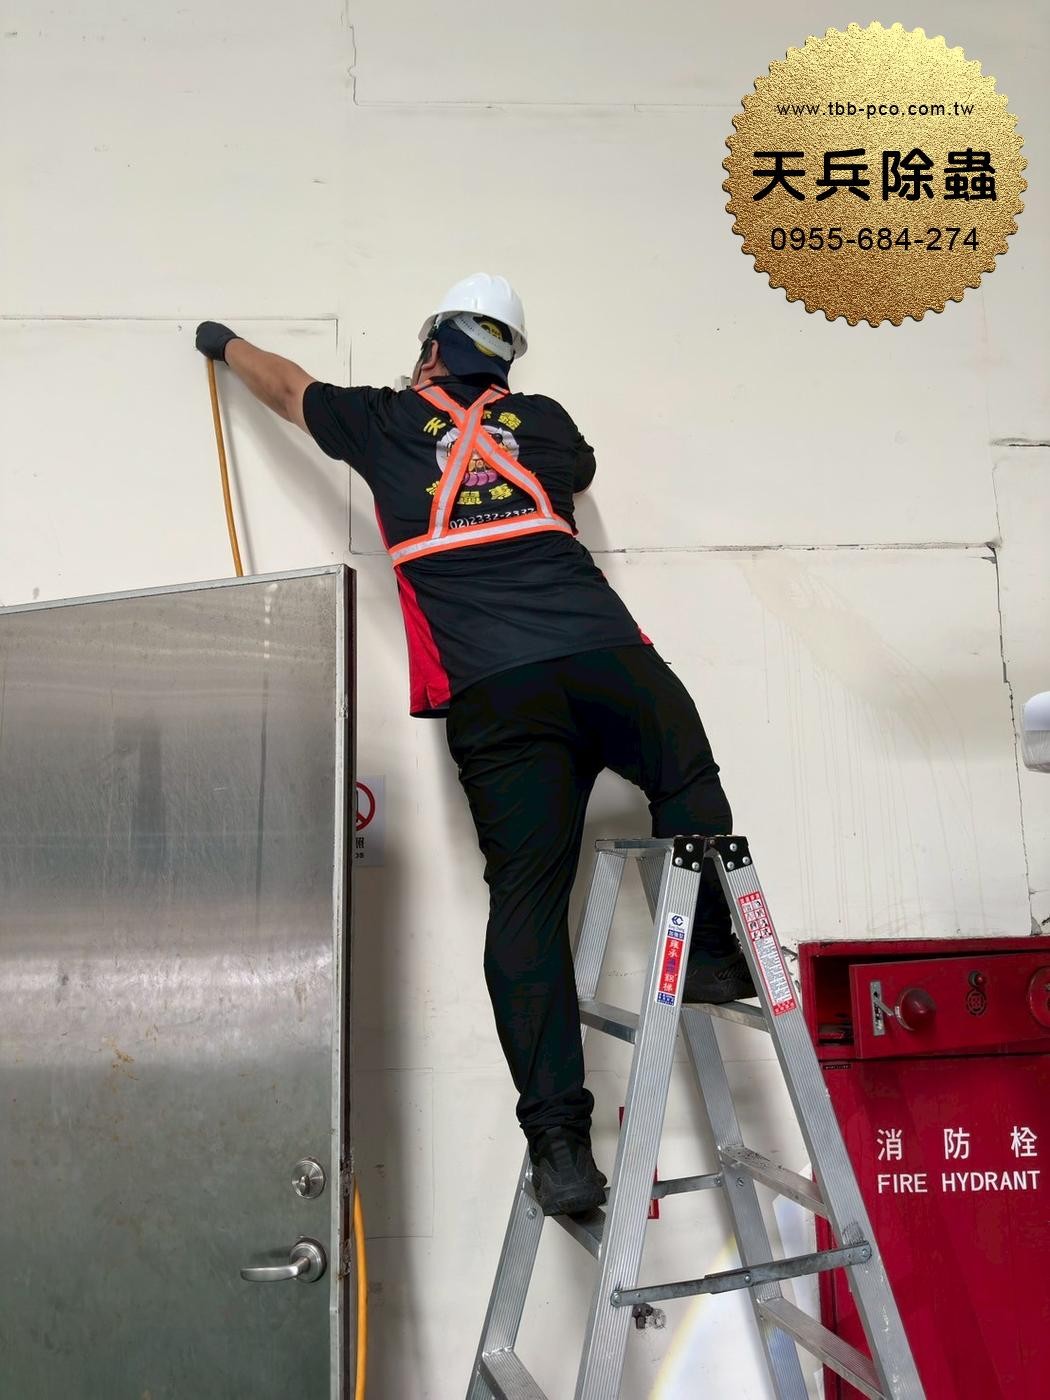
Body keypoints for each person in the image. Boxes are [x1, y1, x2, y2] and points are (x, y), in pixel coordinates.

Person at [195, 274, 755, 1217]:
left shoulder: (379, 421)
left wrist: (223, 342)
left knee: (528, 902)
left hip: (498, 695)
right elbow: (579, 468)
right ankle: (704, 950)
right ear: (504, 361)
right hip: (605, 658)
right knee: (684, 773)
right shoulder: (543, 422)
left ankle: (560, 1148)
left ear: (430, 350)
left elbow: (287, 388)